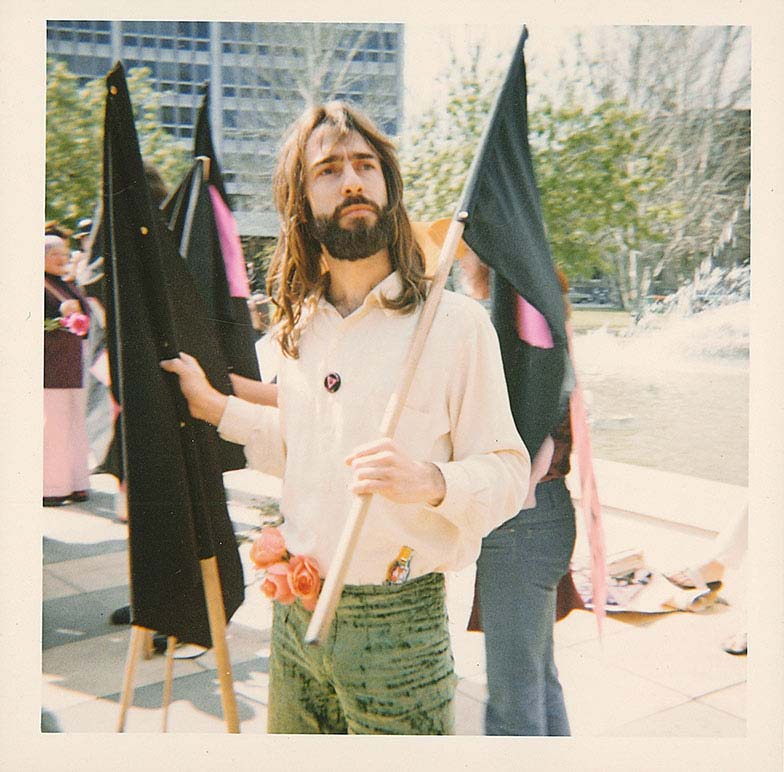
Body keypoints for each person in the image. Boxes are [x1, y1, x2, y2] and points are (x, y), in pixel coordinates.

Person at [161, 102, 531, 735]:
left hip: (398, 630)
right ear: (300, 202)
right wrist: (213, 407)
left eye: (365, 165)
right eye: (328, 169)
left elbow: (509, 473)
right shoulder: (295, 327)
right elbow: (301, 448)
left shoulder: (455, 325)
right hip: (293, 613)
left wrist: (433, 481)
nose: (353, 180)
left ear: (389, 186)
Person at [459, 246, 577, 736]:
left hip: (521, 524)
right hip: (547, 515)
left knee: (514, 705)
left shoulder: (505, 328)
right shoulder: (537, 316)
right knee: (537, 683)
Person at [44, 234, 91, 506]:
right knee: (54, 428)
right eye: (55, 254)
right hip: (50, 368)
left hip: (73, 365)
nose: (63, 259)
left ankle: (76, 483)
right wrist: (61, 320)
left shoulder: (68, 285)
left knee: (75, 426)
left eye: (64, 253)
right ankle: (52, 487)